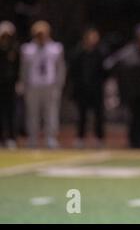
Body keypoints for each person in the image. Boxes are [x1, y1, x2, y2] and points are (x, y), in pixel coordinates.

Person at [19, 20, 65, 148]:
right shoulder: (27, 49)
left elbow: (60, 68)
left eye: (43, 33)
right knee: (32, 113)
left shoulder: (56, 48)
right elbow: (24, 69)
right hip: (33, 85)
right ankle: (32, 138)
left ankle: (50, 138)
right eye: (38, 34)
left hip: (50, 85)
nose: (41, 36)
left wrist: (59, 85)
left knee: (51, 113)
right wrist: (23, 84)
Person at [69, 27, 107, 148]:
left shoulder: (101, 52)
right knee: (82, 115)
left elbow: (105, 71)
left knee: (98, 115)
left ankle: (99, 138)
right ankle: (80, 138)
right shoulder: (78, 52)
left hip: (96, 89)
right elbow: (73, 70)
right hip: (82, 89)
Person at [0, 21, 19, 149]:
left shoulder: (15, 49)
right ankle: (1, 138)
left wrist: (19, 82)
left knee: (11, 112)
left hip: (11, 85)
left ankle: (12, 137)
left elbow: (19, 68)